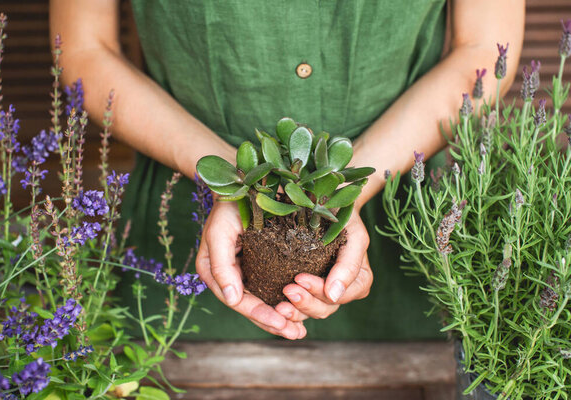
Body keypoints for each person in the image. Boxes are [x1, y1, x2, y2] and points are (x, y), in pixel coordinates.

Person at [50, 0, 524, 340]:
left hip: (409, 246)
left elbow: (484, 50)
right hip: (177, 253)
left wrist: (344, 191)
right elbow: (84, 49)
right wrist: (232, 187)